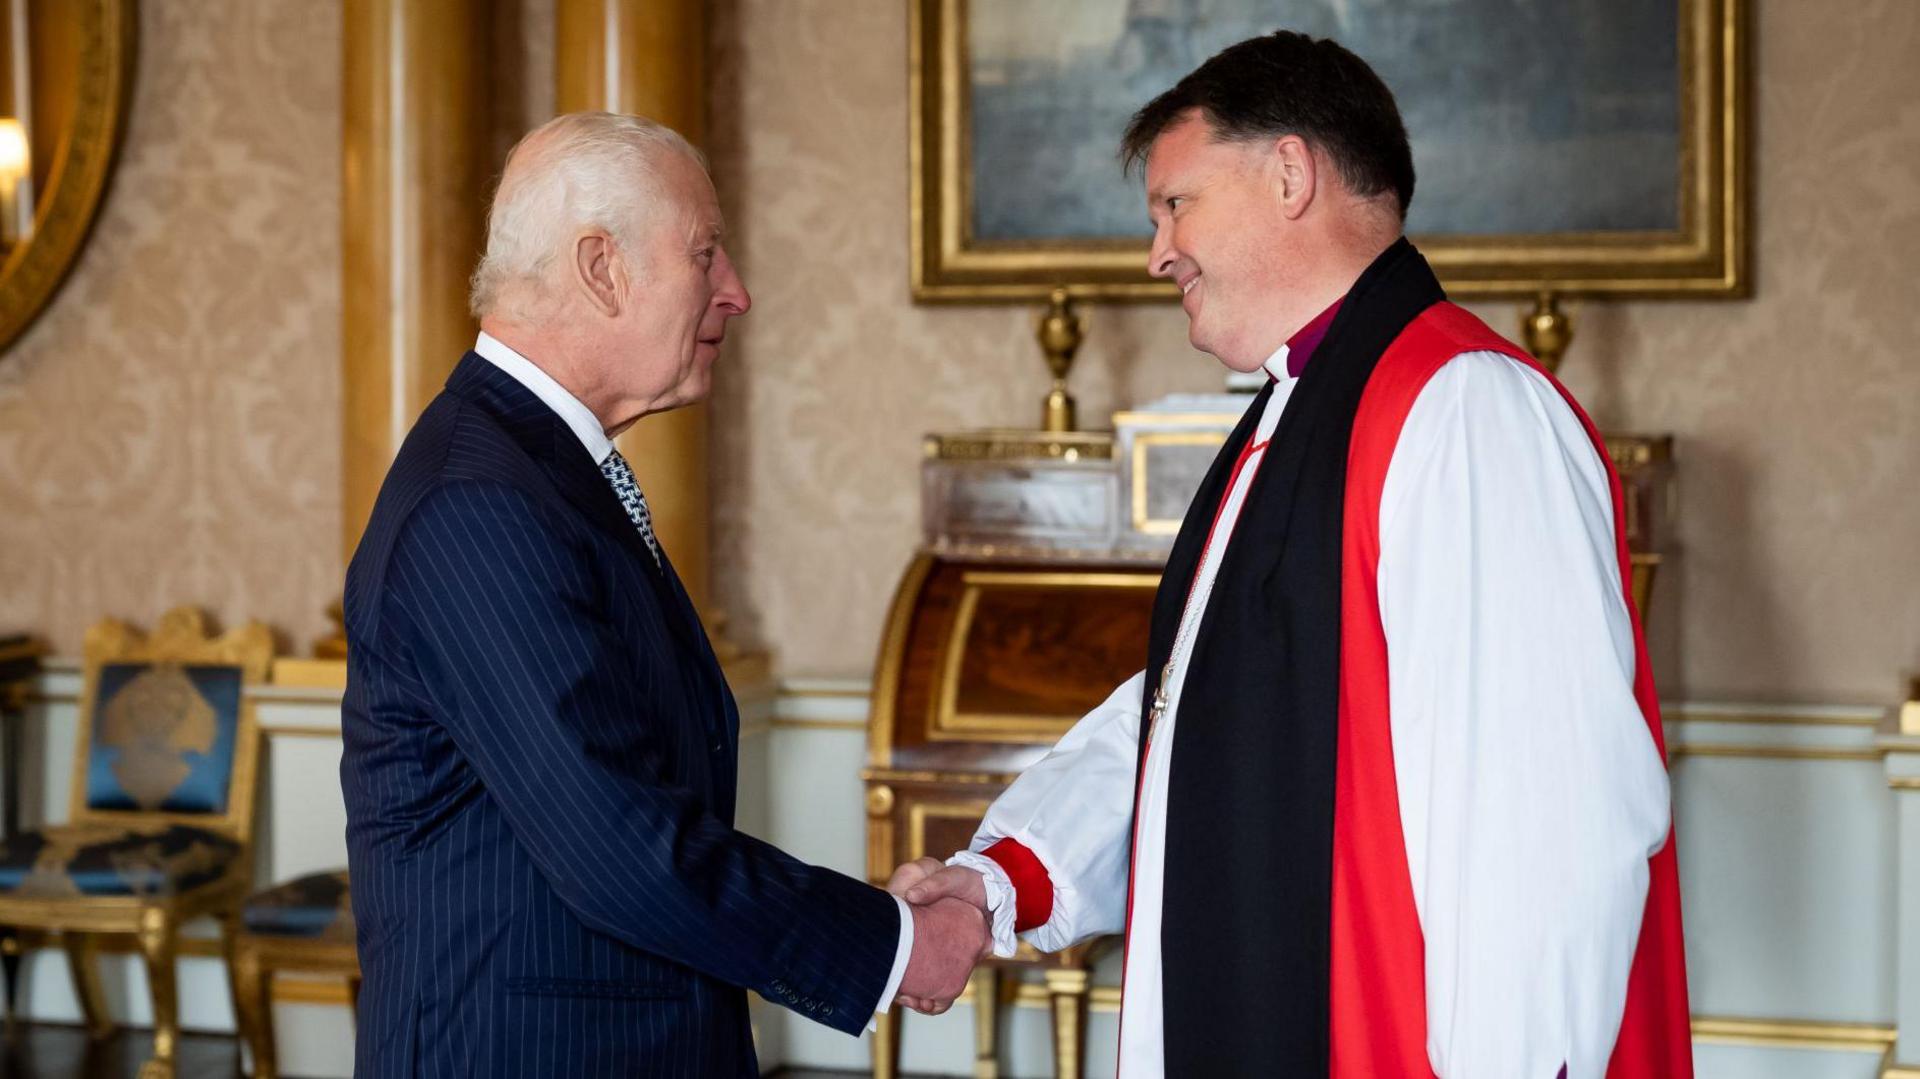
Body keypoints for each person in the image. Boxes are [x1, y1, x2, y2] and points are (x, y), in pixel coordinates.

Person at [891, 32, 1691, 1078]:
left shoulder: (1465, 409)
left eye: (1176, 204)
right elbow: (1198, 709)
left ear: (1288, 174)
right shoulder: (1296, 411)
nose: (1157, 253)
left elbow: (1542, 839)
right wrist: (1004, 877)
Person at [339, 111, 987, 1078]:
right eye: (705, 252)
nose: (736, 291)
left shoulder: (537, 471)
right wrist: (889, 942)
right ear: (603, 269)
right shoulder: (480, 498)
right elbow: (618, 845)